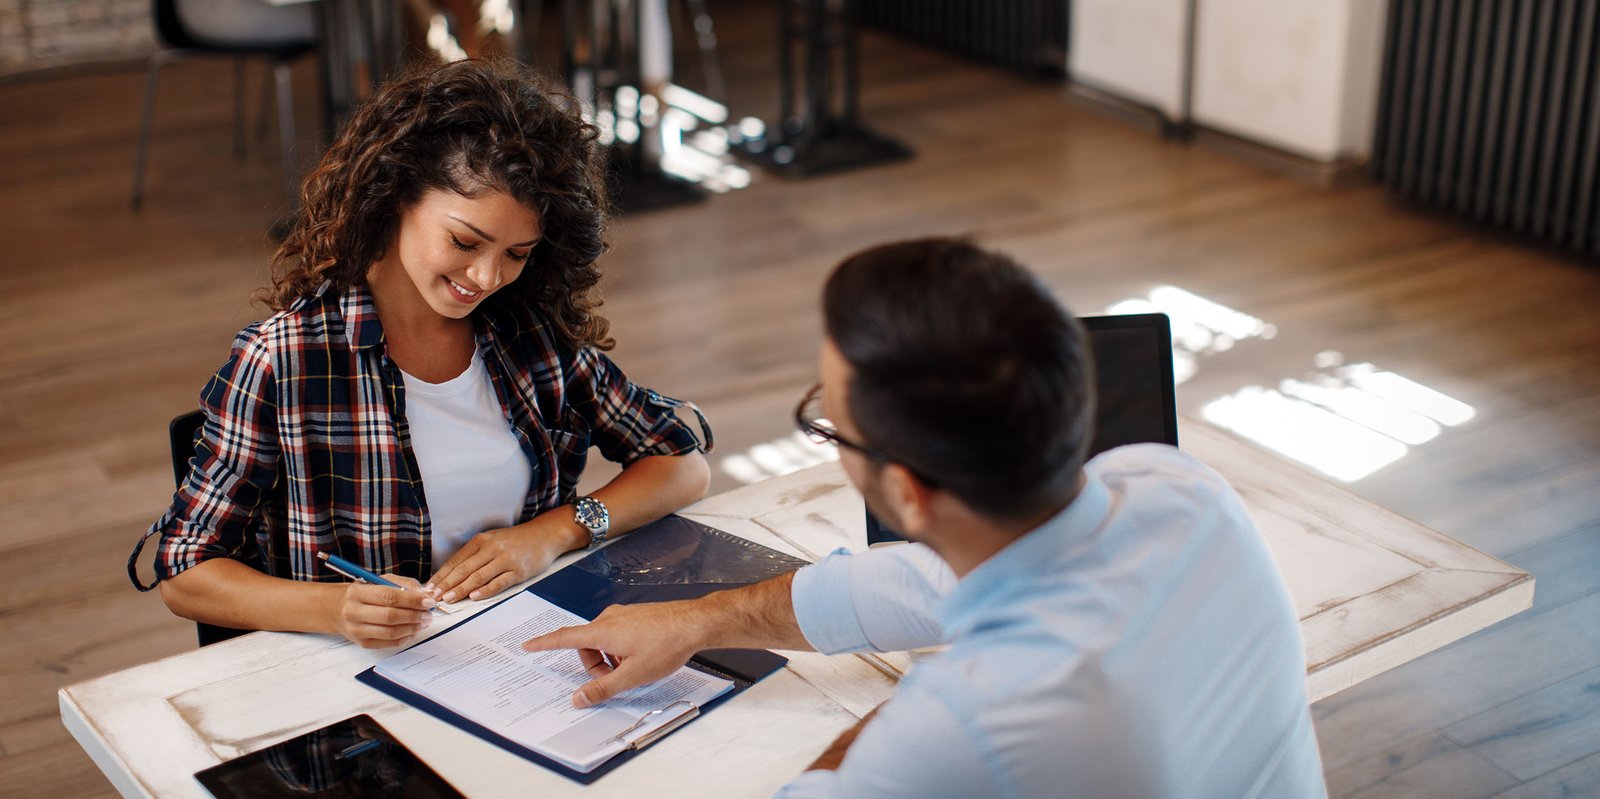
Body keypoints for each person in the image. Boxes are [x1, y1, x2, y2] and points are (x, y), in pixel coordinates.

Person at [523, 238, 1327, 797]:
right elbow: (911, 581)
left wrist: (897, 722)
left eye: (829, 424)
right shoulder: (1177, 486)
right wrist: (696, 621)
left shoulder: (966, 723)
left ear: (908, 493)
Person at [130, 59, 711, 650]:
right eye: (465, 241)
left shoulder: (529, 336)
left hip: (527, 656)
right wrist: (335, 609)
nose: (486, 277)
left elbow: (681, 466)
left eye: (517, 253)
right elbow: (185, 571)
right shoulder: (283, 363)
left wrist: (553, 533)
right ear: (395, 196)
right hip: (357, 686)